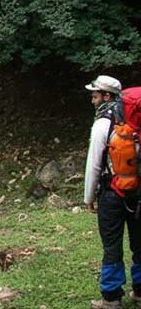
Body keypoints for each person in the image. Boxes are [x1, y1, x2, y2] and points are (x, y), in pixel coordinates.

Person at [84, 75, 141, 309]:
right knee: (140, 243)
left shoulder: (102, 123)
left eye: (95, 95)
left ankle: (111, 298)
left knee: (112, 246)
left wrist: (88, 197)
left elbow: (94, 164)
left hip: (112, 194)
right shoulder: (136, 122)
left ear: (107, 96)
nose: (93, 101)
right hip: (138, 193)